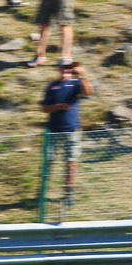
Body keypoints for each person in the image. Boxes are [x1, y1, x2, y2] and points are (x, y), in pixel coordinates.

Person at [40, 58, 94, 207]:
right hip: (53, 130)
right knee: (49, 161)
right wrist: (59, 106)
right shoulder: (52, 85)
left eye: (69, 66)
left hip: (72, 129)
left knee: (70, 162)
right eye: (64, 66)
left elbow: (88, 92)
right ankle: (43, 192)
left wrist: (82, 75)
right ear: (58, 67)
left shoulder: (76, 83)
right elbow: (44, 108)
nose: (66, 69)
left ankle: (69, 194)